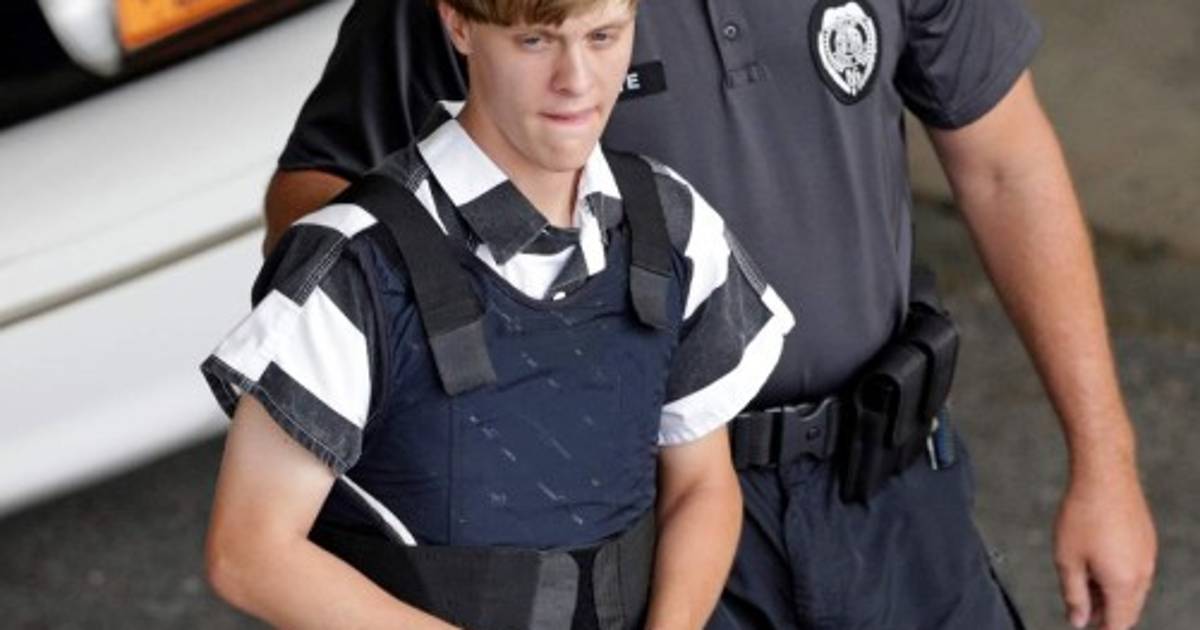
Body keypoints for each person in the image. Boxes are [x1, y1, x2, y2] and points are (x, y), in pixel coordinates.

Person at [263, 0, 1157, 629]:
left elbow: (1006, 166)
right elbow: (317, 201)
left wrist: (1104, 461)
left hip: (892, 486)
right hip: (654, 518)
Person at [201, 0, 795, 627]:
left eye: (602, 37)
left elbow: (702, 485)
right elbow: (248, 555)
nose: (576, 80)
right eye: (535, 41)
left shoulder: (669, 221)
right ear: (459, 25)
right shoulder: (354, 263)